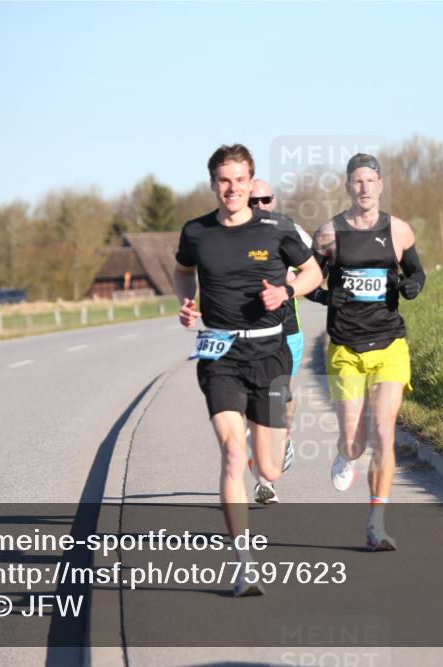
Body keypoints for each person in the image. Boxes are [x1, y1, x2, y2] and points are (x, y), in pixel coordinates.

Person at [174, 144, 322, 595]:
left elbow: (313, 271)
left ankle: (279, 446)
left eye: (240, 179)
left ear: (250, 179)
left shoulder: (276, 229)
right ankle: (243, 565)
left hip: (269, 352)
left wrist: (288, 291)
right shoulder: (196, 232)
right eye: (223, 179)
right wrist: (185, 301)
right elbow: (182, 271)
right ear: (213, 183)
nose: (232, 188)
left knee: (270, 471)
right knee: (233, 455)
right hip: (219, 352)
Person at [308, 153, 425, 551]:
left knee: (383, 432)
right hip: (346, 348)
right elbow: (305, 280)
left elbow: (417, 272)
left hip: (390, 344)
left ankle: (376, 523)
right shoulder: (329, 233)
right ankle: (345, 455)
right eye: (356, 181)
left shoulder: (399, 231)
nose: (364, 188)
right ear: (347, 187)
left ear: (380, 185)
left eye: (370, 180)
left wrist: (413, 287)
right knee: (354, 441)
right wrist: (328, 296)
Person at [248, 179, 313, 504]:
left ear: (273, 201)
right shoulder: (231, 232)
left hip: (286, 330)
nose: (259, 205)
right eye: (253, 199)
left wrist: (292, 283)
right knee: (251, 405)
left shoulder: (290, 229)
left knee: (280, 395)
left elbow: (314, 270)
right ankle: (265, 473)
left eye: (265, 199)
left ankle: (279, 447)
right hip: (244, 333)